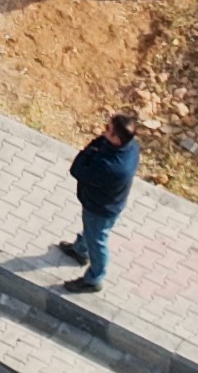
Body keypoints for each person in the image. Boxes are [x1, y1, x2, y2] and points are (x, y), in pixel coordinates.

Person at [64, 114, 142, 292]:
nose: (103, 132)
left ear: (117, 138)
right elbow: (100, 145)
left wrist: (89, 150)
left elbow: (77, 169)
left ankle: (94, 279)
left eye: (108, 130)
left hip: (100, 208)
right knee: (92, 231)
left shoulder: (110, 167)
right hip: (109, 202)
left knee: (98, 240)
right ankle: (79, 250)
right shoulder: (131, 147)